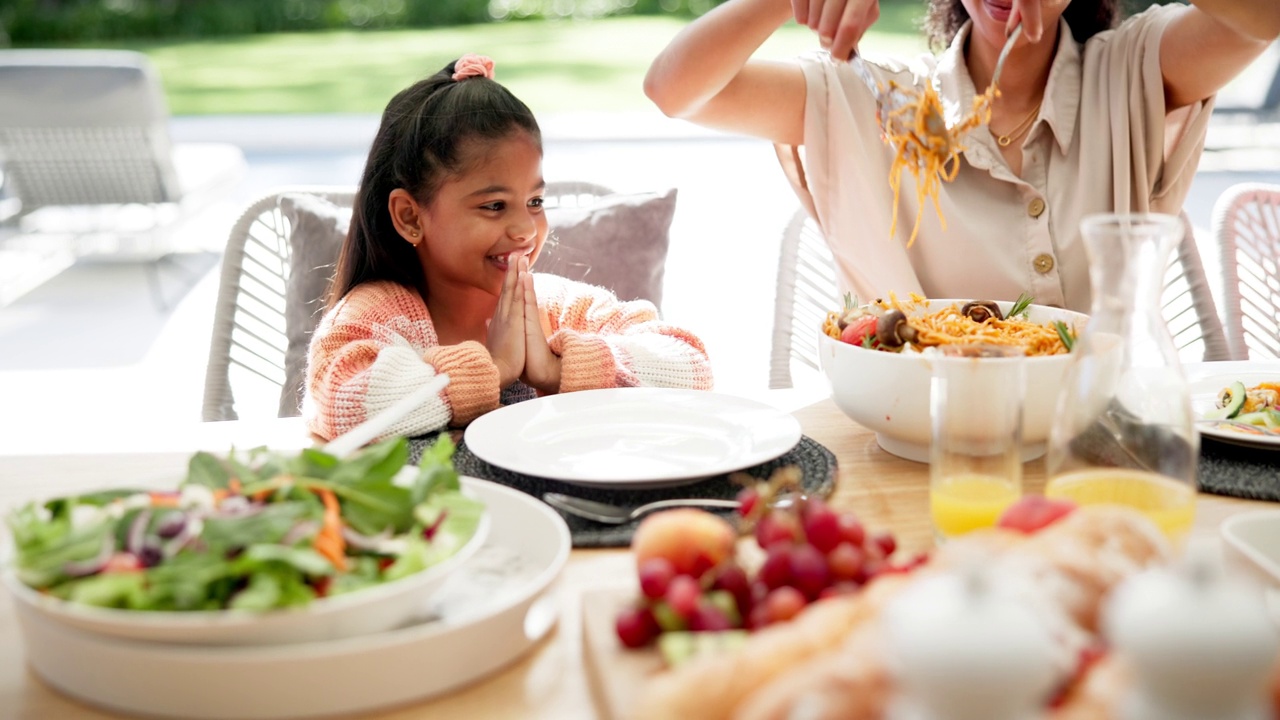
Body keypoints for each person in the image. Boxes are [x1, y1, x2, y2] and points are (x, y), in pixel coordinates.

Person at [644, 0, 1280, 312]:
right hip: (918, 442)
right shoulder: (878, 96)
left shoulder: (1135, 69)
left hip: (1101, 441)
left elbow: (1263, 16)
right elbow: (675, 91)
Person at [304, 54, 713, 442]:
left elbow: (692, 367)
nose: (524, 230)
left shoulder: (559, 308)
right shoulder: (375, 317)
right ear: (411, 217)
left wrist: (558, 370)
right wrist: (492, 371)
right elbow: (340, 402)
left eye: (534, 202)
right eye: (494, 206)